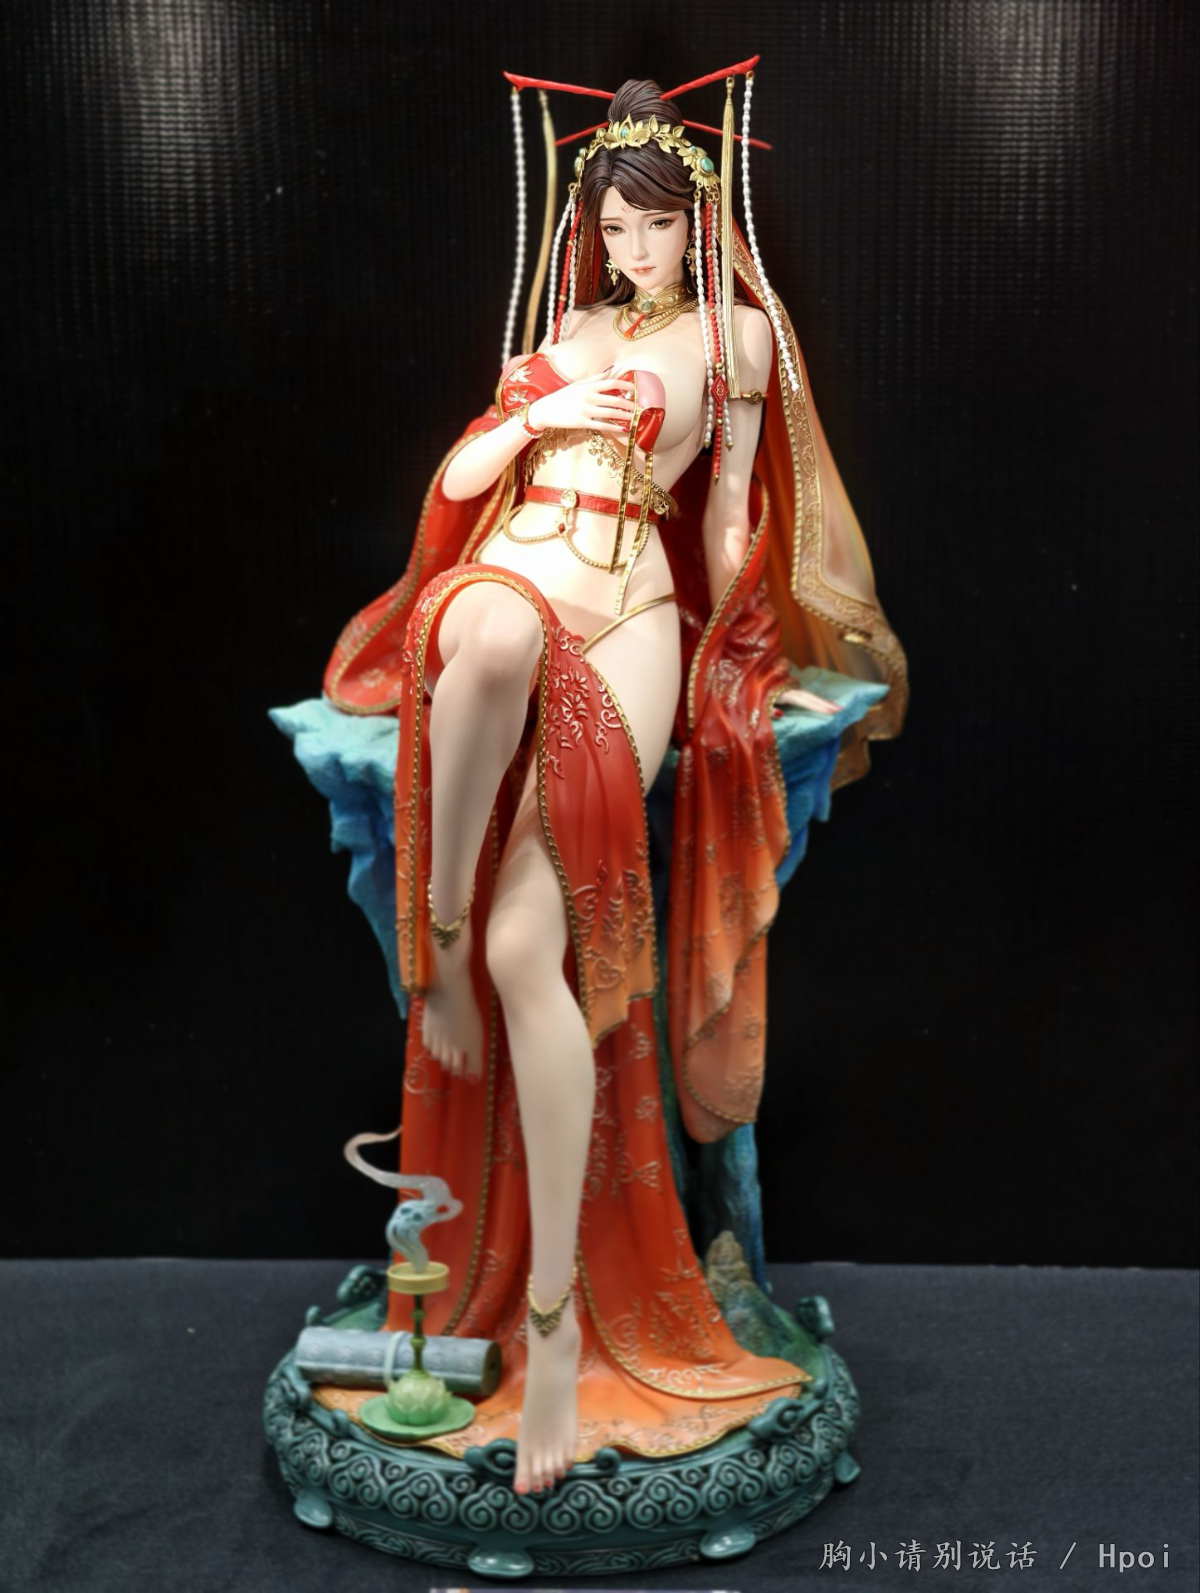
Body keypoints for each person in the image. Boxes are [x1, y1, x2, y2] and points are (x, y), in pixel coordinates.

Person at [305, 67, 908, 1499]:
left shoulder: (737, 337)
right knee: (491, 629)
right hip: (514, 570)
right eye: (613, 229)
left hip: (632, 611)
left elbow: (734, 514)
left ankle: (556, 1327)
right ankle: (439, 929)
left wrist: (743, 652)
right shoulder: (562, 330)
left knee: (539, 950)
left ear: (694, 220)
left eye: (654, 226)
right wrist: (534, 416)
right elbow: (466, 478)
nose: (632, 251)